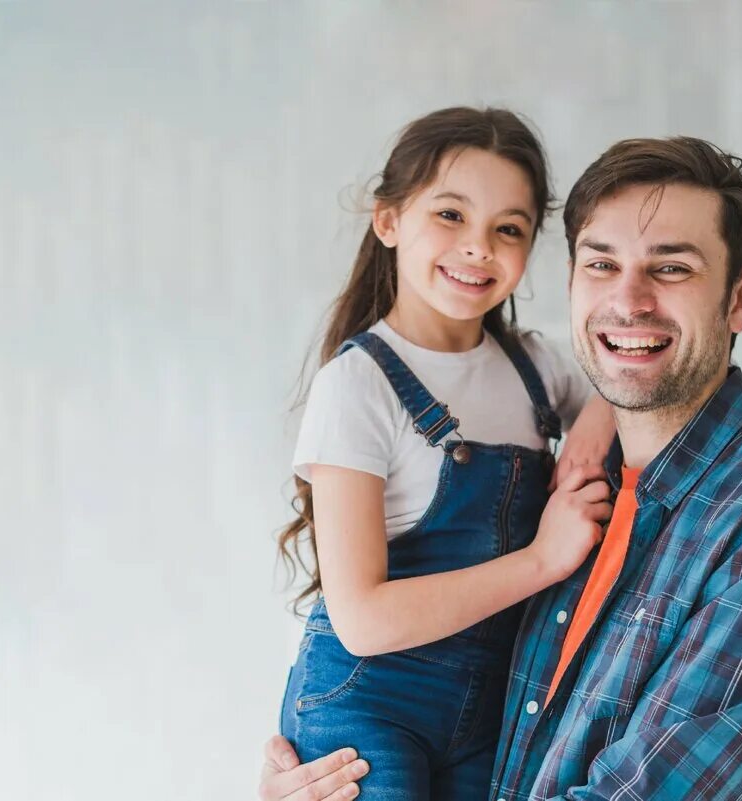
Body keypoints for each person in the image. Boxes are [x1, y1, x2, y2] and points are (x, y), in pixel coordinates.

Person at [260, 136, 742, 800]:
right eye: (601, 264)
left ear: (741, 298)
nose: (630, 299)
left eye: (671, 268)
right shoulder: (565, 496)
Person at [273, 107, 618, 801]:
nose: (479, 247)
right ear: (389, 220)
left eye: (508, 229)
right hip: (368, 703)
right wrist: (542, 560)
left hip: (491, 708)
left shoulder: (536, 367)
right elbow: (364, 618)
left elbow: (623, 385)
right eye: (452, 215)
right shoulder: (358, 385)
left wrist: (588, 427)